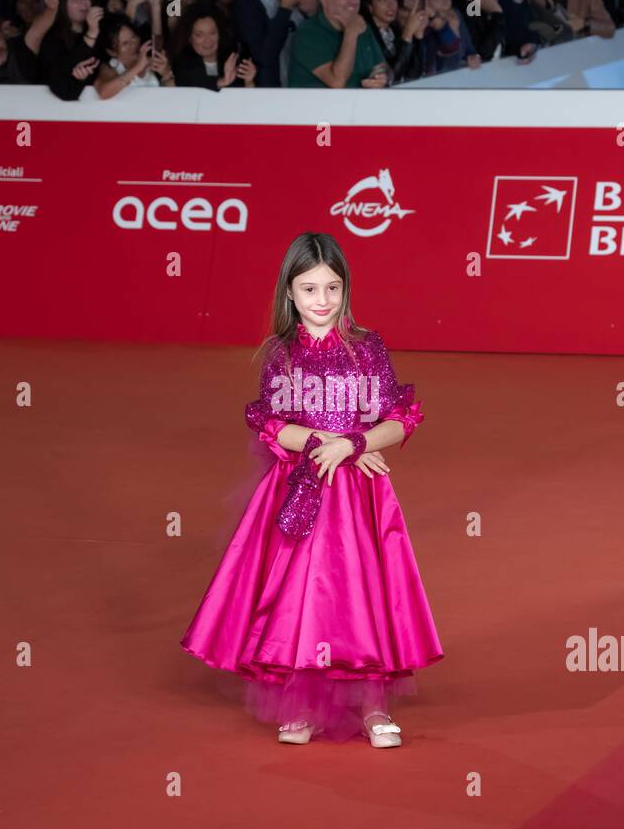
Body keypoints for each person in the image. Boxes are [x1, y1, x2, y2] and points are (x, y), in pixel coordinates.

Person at [180, 231, 441, 747]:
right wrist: (329, 440)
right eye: (309, 289)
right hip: (299, 487)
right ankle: (302, 702)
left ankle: (372, 705)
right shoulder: (281, 355)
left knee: (361, 590)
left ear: (346, 290)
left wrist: (357, 443)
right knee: (302, 592)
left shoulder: (368, 348)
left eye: (332, 288)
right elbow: (270, 424)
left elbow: (402, 417)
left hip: (358, 495)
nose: (322, 301)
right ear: (289, 295)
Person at [287, 0, 388, 88]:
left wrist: (382, 78)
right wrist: (350, 34)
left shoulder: (361, 26)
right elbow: (338, 82)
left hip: (359, 104)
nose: (353, 0)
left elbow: (383, 67)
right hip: (319, 106)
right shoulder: (308, 33)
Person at [231, 0, 304, 88]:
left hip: (302, 89)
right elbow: (264, 56)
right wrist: (285, 8)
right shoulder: (246, 4)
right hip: (269, 94)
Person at [170, 2, 255, 90]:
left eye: (212, 33)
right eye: (199, 35)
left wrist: (249, 81)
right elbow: (188, 85)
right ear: (190, 38)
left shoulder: (233, 60)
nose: (208, 40)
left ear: (219, 35)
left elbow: (249, 100)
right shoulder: (182, 63)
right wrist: (222, 81)